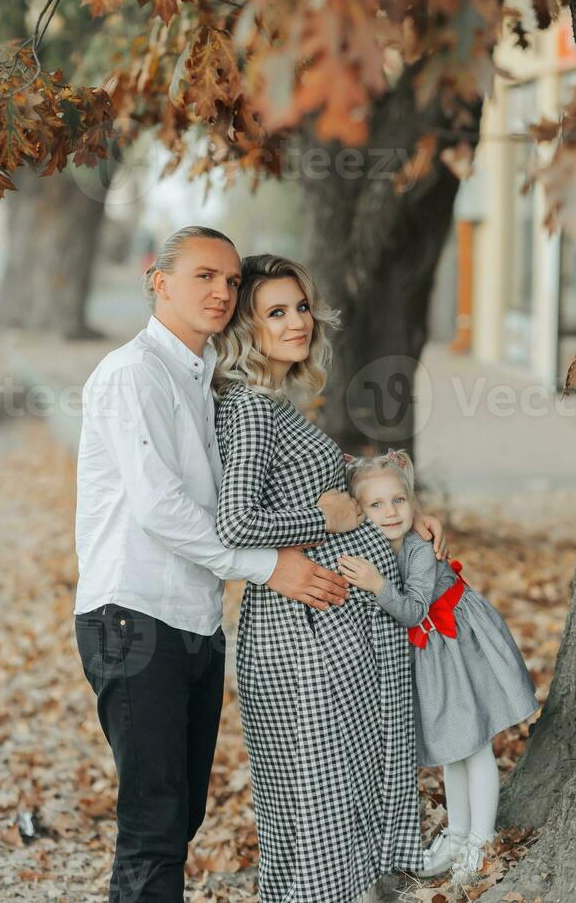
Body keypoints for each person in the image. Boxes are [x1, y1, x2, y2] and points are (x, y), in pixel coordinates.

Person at [73, 227, 352, 902]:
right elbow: (160, 508)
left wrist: (380, 492)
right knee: (155, 825)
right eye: (205, 276)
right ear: (159, 281)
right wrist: (268, 567)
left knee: (182, 815)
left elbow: (266, 483)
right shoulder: (132, 372)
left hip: (196, 621)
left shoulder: (204, 379)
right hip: (133, 617)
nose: (223, 292)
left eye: (231, 281)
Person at [212, 254, 448, 903]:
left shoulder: (279, 403)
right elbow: (235, 521)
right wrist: (321, 517)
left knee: (335, 792)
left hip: (329, 623)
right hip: (298, 631)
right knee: (318, 796)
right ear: (245, 327)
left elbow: (339, 475)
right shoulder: (253, 408)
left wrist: (403, 513)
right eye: (275, 312)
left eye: (301, 308)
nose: (296, 322)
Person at [339, 448, 539, 887]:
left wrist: (375, 584)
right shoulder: (370, 542)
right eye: (376, 504)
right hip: (433, 652)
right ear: (357, 509)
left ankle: (481, 841)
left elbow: (412, 610)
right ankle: (458, 833)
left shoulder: (418, 549)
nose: (390, 512)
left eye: (399, 501)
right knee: (453, 745)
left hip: (458, 644)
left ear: (413, 503)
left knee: (475, 745)